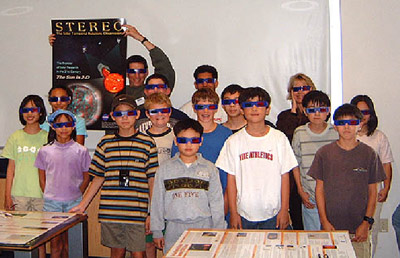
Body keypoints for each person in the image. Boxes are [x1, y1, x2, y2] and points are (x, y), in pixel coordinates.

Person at [70, 94, 158, 258]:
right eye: (119, 114)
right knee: (116, 253)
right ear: (112, 117)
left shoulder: (148, 143)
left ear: (137, 115)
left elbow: (152, 179)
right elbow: (97, 178)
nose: (124, 118)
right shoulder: (105, 143)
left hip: (137, 212)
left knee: (138, 254)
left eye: (129, 113)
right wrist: (83, 205)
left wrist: (152, 213)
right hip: (112, 210)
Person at [308, 103, 386, 258]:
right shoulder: (324, 153)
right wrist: (324, 221)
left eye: (352, 122)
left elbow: (373, 191)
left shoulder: (369, 154)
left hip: (359, 230)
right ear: (335, 126)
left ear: (360, 124)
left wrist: (366, 222)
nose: (347, 127)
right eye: (341, 123)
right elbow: (319, 190)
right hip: (331, 228)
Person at [216, 87, 298, 230]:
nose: (254, 109)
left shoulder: (279, 138)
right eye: (248, 105)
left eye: (259, 105)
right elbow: (231, 179)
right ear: (242, 110)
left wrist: (285, 210)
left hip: (274, 214)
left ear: (267, 109)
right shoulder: (233, 141)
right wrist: (233, 213)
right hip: (243, 214)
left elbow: (285, 176)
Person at [50, 24, 175, 108]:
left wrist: (141, 38)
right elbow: (81, 73)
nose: (137, 75)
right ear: (126, 73)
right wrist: (61, 47)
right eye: (132, 71)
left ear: (147, 72)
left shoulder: (155, 90)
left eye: (141, 71)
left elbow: (165, 66)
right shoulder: (115, 90)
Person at [150, 119, 225, 253]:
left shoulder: (210, 169)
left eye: (194, 140)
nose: (188, 144)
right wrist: (157, 231)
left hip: (203, 227)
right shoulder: (164, 169)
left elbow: (217, 203)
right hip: (174, 228)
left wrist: (219, 230)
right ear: (176, 141)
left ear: (201, 141)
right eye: (183, 140)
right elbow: (157, 202)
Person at [35, 109, 90, 258]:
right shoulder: (45, 151)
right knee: (55, 243)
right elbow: (42, 177)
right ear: (53, 126)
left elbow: (86, 177)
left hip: (74, 203)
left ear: (73, 126)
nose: (63, 128)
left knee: (71, 243)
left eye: (67, 124)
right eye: (59, 125)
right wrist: (48, 193)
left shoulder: (81, 150)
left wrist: (78, 194)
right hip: (52, 204)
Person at [1, 95, 48, 258]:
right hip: (19, 196)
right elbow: (10, 169)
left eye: (34, 109)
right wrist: (7, 196)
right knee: (20, 239)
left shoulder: (47, 137)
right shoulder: (15, 137)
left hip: (41, 196)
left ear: (41, 112)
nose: (30, 113)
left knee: (40, 240)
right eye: (26, 110)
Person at [350, 95, 394, 256]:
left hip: (373, 193)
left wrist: (386, 188)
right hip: (351, 194)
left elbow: (386, 164)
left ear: (372, 113)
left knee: (370, 234)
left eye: (366, 112)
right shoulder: (347, 135)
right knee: (351, 234)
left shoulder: (379, 137)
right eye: (359, 111)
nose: (363, 115)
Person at [172, 89, 231, 205]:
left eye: (210, 106)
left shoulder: (226, 134)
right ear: (194, 108)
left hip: (219, 192)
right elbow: (176, 164)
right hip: (190, 194)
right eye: (201, 107)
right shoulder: (184, 133)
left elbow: (231, 171)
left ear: (216, 108)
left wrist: (226, 199)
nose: (205, 111)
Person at [291, 90, 338, 230]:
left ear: (328, 111)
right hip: (309, 196)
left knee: (334, 239)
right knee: (313, 239)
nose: (317, 114)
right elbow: (295, 164)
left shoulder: (336, 132)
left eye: (321, 109)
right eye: (312, 110)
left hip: (333, 197)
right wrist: (300, 191)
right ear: (305, 111)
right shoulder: (299, 133)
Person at [276, 73, 316, 230]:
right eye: (296, 89)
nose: (300, 92)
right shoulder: (284, 116)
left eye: (304, 88)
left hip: (311, 173)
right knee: (298, 220)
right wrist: (294, 111)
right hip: (291, 176)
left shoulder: (317, 115)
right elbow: (285, 138)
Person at [140, 92, 175, 258]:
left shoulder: (176, 137)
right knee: (149, 241)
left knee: (170, 240)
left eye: (164, 111)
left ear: (169, 112)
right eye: (154, 112)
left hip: (170, 196)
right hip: (147, 196)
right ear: (147, 114)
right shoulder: (141, 137)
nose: (159, 115)